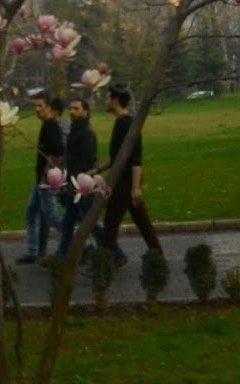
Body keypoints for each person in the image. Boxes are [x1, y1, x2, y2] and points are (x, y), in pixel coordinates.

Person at [98, 84, 162, 267]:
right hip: (123, 179)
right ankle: (157, 255)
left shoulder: (127, 123)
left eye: (107, 97)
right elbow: (117, 157)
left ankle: (103, 262)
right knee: (141, 220)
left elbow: (135, 158)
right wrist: (97, 170)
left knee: (111, 221)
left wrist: (135, 187)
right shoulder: (121, 122)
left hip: (126, 180)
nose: (105, 100)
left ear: (115, 100)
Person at [18, 93, 65, 263]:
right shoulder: (47, 125)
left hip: (45, 181)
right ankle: (33, 252)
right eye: (35, 106)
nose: (37, 110)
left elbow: (58, 151)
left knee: (52, 217)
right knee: (31, 213)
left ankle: (79, 243)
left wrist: (47, 175)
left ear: (49, 108)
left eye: (40, 106)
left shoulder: (50, 125)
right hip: (40, 180)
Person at [56, 96, 98, 257]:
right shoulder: (75, 129)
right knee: (68, 223)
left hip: (82, 185)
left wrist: (77, 183)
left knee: (90, 223)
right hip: (73, 184)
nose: (72, 111)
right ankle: (62, 253)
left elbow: (86, 160)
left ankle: (115, 252)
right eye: (71, 108)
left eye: (76, 109)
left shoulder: (86, 132)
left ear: (85, 111)